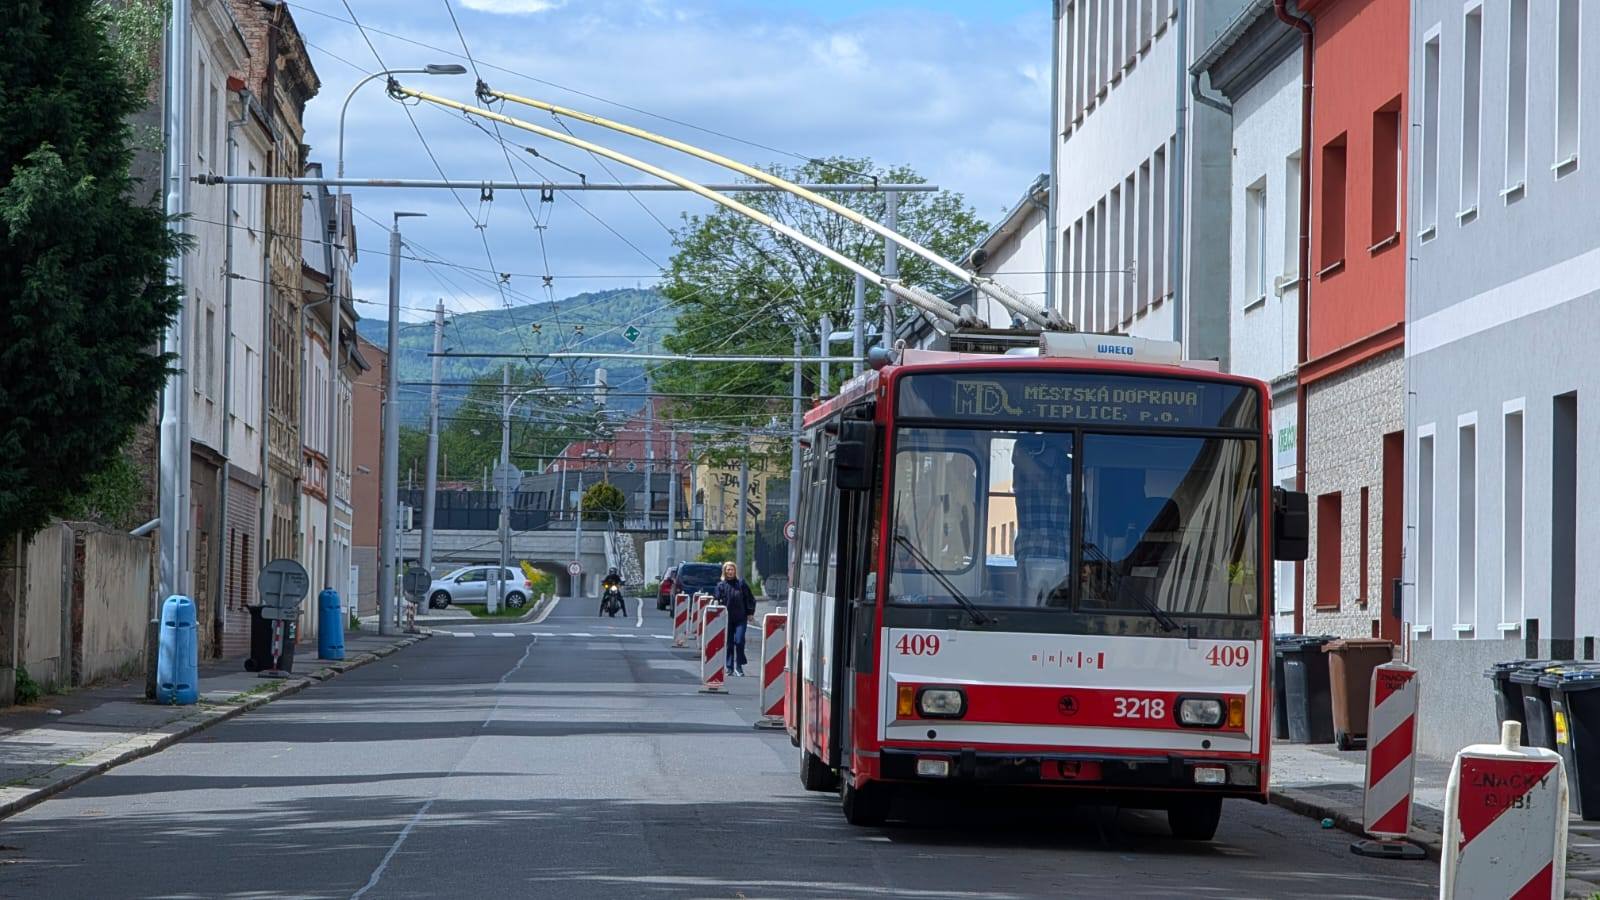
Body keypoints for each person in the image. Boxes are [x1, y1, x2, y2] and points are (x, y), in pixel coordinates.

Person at [1011, 433, 1072, 606]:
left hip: (1030, 549)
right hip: (1060, 553)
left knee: (1029, 612)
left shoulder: (1023, 468)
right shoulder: (1065, 468)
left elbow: (1018, 452)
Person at [714, 561, 757, 676]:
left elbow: (750, 599)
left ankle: (739, 665)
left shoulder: (741, 584)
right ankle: (729, 667)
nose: (730, 572)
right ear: (724, 571)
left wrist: (750, 613)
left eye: (732, 569)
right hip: (726, 618)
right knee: (728, 643)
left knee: (739, 641)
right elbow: (716, 601)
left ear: (735, 571)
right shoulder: (721, 585)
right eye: (728, 569)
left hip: (740, 618)